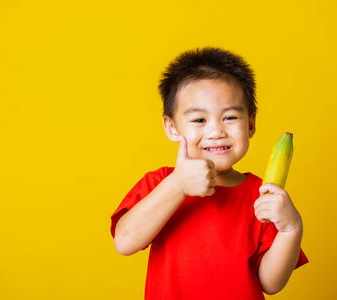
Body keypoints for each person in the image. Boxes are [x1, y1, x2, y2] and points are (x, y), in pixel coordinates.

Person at [110, 47, 308, 300]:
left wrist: (291, 228)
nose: (216, 131)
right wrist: (178, 185)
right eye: (199, 120)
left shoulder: (262, 195)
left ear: (250, 124)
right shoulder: (161, 183)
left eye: (230, 117)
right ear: (171, 128)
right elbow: (125, 243)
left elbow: (270, 283)